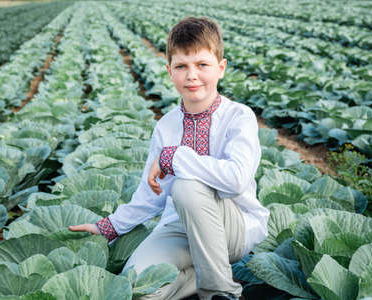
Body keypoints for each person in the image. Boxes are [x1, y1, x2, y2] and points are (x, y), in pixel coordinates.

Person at [69, 17, 269, 300]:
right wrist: (107, 227)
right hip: (179, 229)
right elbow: (151, 196)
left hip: (232, 231)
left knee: (187, 187)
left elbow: (235, 181)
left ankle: (221, 292)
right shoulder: (166, 125)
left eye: (202, 65)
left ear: (221, 68)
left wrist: (174, 156)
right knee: (139, 285)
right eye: (181, 66)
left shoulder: (239, 117)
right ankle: (199, 277)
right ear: (169, 71)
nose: (192, 75)